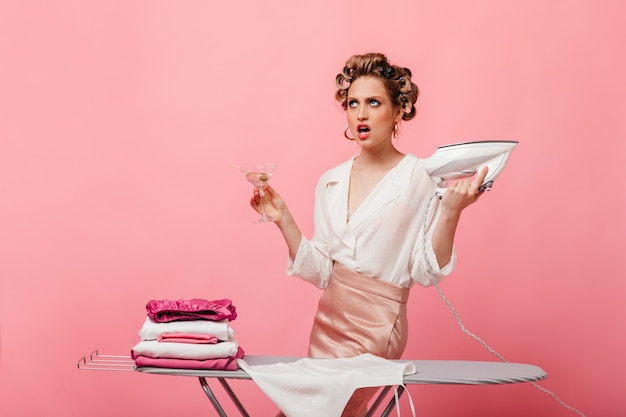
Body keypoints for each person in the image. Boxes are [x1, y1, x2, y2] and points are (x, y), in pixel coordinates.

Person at [249, 52, 488, 417]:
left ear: (397, 111)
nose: (360, 113)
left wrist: (451, 211)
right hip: (328, 321)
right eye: (353, 103)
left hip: (379, 322)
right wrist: (284, 219)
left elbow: (426, 269)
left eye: (373, 102)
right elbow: (323, 271)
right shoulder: (329, 181)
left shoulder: (419, 177)